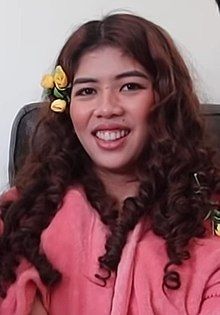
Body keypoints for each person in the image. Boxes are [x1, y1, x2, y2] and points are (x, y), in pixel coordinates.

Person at [0, 13, 220, 315]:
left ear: (165, 99)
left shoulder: (209, 220)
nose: (106, 108)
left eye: (129, 87)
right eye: (87, 91)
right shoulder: (22, 215)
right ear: (68, 108)